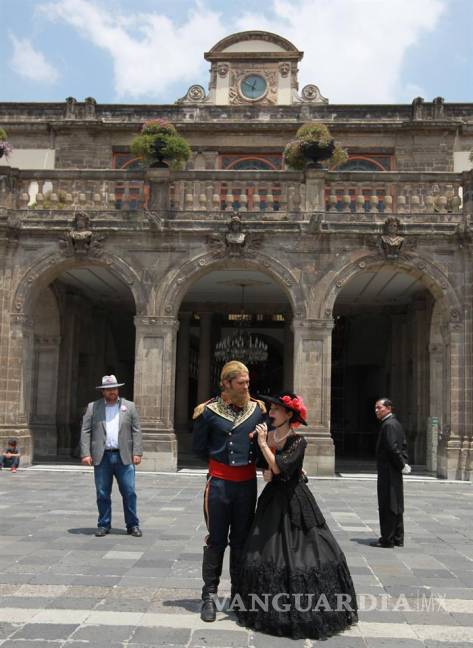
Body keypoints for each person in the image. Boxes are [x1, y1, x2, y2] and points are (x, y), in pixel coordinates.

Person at [235, 392, 358, 640]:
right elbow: (268, 472)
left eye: (276, 410)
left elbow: (281, 467)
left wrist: (264, 447)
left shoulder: (297, 441)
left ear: (288, 415)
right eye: (270, 409)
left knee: (304, 548)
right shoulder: (268, 436)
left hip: (294, 500)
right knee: (265, 548)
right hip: (271, 500)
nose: (271, 413)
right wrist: (266, 463)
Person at [192, 360, 267, 623]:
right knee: (216, 540)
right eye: (241, 383)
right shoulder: (208, 412)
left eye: (248, 382)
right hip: (220, 484)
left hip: (246, 485)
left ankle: (238, 595)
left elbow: (263, 446)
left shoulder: (258, 410)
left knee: (241, 540)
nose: (246, 387)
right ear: (226, 384)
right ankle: (209, 595)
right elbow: (199, 448)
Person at [80, 375, 143, 538]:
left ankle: (133, 525)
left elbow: (136, 430)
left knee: (129, 492)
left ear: (118, 390)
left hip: (124, 456)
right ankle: (103, 524)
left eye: (114, 389)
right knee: (102, 492)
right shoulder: (93, 407)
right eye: (108, 390)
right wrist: (86, 453)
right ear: (103, 392)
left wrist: (137, 452)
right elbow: (85, 430)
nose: (112, 392)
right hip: (102, 457)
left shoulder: (129, 406)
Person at [371, 398, 410, 548]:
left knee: (388, 504)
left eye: (379, 408)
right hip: (393, 470)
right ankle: (397, 537)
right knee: (396, 503)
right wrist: (403, 464)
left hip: (388, 470)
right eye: (375, 408)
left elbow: (393, 448)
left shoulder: (389, 425)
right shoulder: (395, 423)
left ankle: (387, 539)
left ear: (388, 408)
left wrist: (401, 465)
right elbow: (403, 446)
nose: (376, 410)